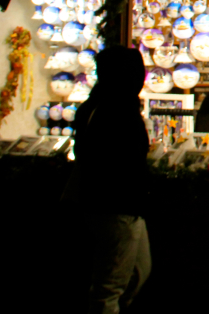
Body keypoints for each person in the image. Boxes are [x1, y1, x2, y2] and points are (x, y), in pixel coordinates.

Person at [73, 46, 151, 314]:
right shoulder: (119, 109)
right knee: (110, 285)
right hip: (117, 204)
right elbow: (124, 155)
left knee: (138, 271)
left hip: (112, 203)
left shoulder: (96, 105)